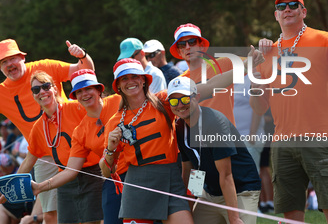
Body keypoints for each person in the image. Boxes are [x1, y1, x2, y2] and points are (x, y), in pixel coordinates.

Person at [101, 50, 263, 223]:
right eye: (124, 79)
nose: (130, 81)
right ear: (118, 85)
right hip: (137, 182)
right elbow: (105, 171)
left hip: (170, 177)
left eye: (135, 76)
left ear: (143, 80)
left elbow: (210, 85)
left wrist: (246, 66)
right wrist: (110, 148)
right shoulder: (114, 122)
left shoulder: (164, 101)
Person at [250, 0, 328, 223]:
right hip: (282, 143)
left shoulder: (324, 39)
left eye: (292, 4)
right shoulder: (266, 54)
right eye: (281, 6)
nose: (287, 9)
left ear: (303, 11)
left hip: (320, 137)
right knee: (290, 215)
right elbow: (259, 107)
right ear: (276, 15)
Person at [0, 38, 95, 224]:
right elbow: (28, 160)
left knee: (90, 210)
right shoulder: (2, 92)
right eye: (4, 62)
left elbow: (85, 70)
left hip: (77, 144)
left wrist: (82, 55)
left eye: (12, 58)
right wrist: (8, 189)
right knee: (52, 212)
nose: (10, 64)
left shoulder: (45, 67)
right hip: (43, 153)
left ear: (22, 58)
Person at [29, 69, 123, 224]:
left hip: (130, 170)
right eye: (79, 91)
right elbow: (70, 171)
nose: (84, 94)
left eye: (88, 88)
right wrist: (39, 187)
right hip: (110, 176)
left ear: (99, 89)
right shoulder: (80, 131)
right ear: (75, 97)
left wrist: (82, 56)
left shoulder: (118, 101)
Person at [168, 77, 261, 224]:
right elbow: (190, 170)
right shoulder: (179, 127)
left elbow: (226, 174)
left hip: (240, 190)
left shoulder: (214, 122)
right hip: (210, 194)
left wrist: (234, 218)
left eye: (185, 99)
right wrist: (189, 209)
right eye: (174, 101)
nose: (180, 105)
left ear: (196, 97)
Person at [169, 23, 236, 125]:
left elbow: (256, 62)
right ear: (179, 51)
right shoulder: (179, 82)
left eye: (192, 42)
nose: (187, 47)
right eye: (182, 44)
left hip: (227, 137)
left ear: (201, 45)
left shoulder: (224, 63)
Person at [0, 153, 34, 224]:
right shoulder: (18, 170)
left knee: (2, 207)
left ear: (3, 167)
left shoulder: (13, 175)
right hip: (28, 202)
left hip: (27, 202)